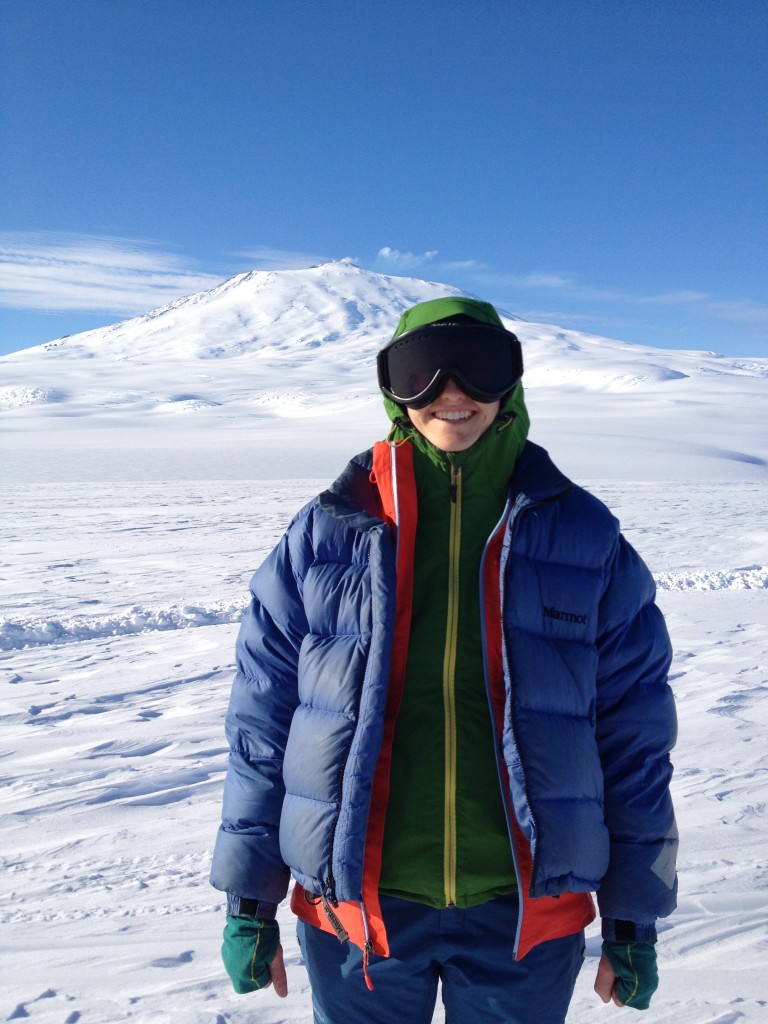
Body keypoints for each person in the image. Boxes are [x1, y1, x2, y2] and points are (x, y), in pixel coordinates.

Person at [210, 297, 678, 1023]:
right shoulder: (329, 533)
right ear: (391, 391)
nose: (449, 393)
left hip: (524, 918)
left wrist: (632, 918)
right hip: (358, 916)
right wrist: (249, 899)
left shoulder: (585, 539)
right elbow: (263, 724)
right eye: (420, 373)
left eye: (477, 368)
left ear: (511, 385)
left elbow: (634, 740)